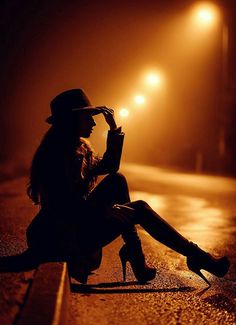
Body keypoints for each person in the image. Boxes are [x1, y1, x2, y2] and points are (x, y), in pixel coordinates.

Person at [26, 88, 230, 286]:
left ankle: (138, 255)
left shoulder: (79, 148)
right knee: (138, 208)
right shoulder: (55, 154)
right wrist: (104, 209)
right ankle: (190, 257)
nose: (94, 123)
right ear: (72, 120)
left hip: (77, 228)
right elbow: (63, 206)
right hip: (63, 238)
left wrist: (113, 129)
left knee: (117, 180)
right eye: (88, 117)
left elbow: (110, 166)